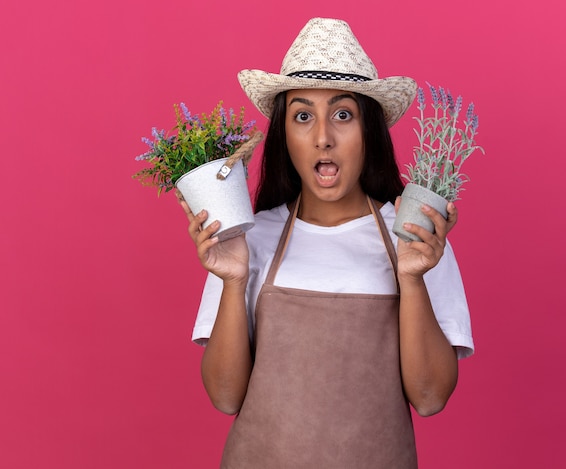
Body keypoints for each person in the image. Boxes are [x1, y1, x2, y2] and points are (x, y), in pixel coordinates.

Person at [179, 17, 474, 469]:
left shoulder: (415, 238)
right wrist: (234, 280)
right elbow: (224, 397)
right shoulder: (247, 239)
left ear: (368, 131)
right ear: (285, 136)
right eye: (302, 116)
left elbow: (431, 397)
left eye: (342, 114)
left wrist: (412, 279)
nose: (323, 137)